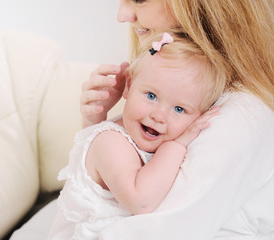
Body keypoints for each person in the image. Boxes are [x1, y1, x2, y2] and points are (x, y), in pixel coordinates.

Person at [80, 0, 274, 239]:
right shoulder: (173, 85)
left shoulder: (239, 116)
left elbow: (158, 226)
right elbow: (122, 192)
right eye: (151, 95)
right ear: (129, 84)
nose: (122, 15)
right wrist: (95, 123)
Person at [47, 30, 223, 240]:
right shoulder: (110, 141)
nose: (159, 116)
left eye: (179, 109)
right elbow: (140, 201)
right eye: (151, 96)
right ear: (129, 85)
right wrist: (177, 144)